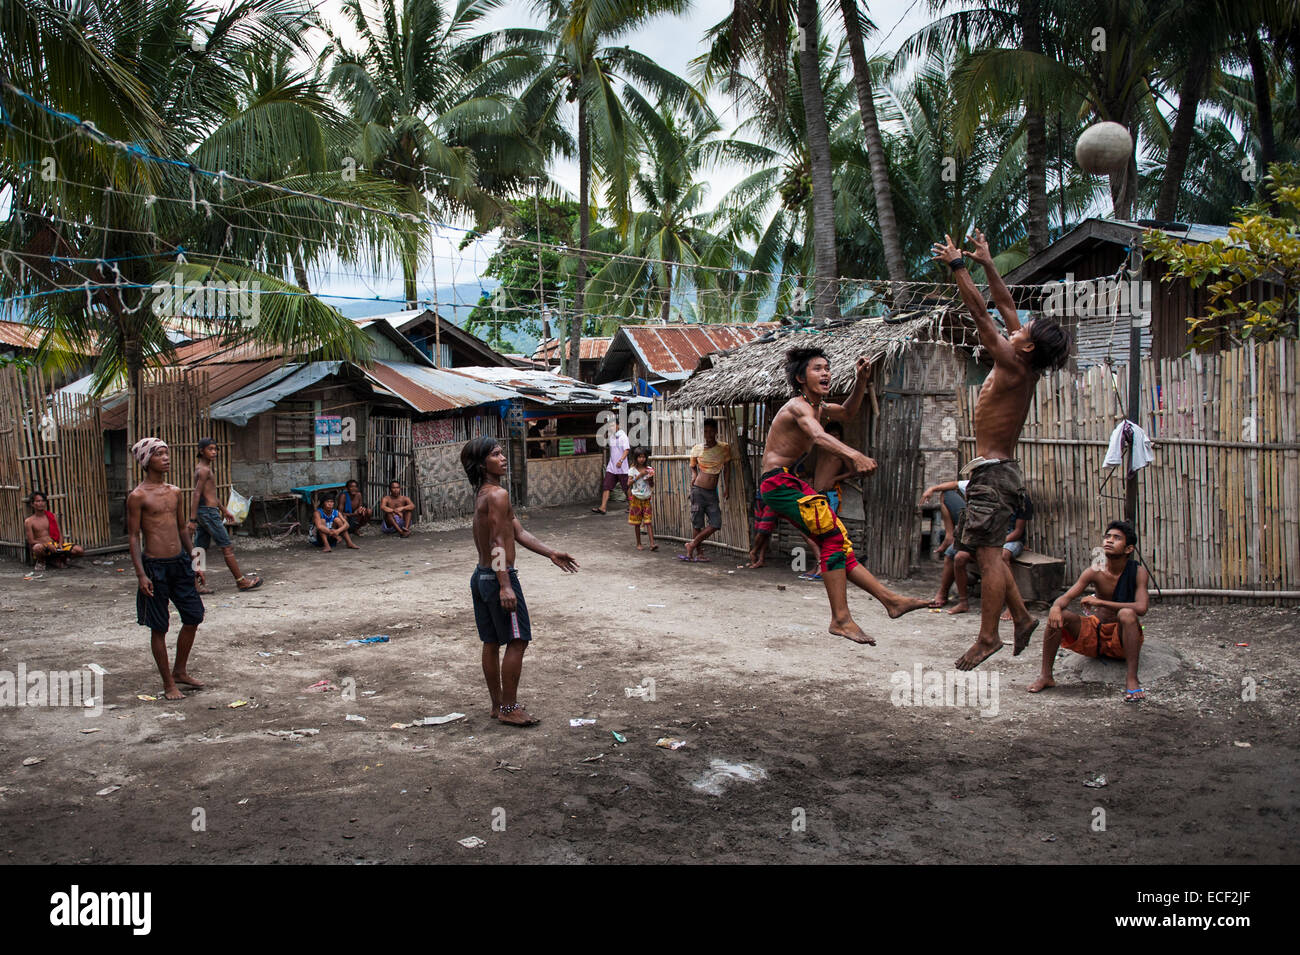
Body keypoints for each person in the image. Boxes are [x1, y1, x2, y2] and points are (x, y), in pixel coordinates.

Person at [932, 228, 1071, 669]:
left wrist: (959, 266)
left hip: (994, 474)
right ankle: (1024, 618)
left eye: (1024, 329)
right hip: (992, 471)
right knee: (985, 553)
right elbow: (1006, 305)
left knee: (987, 557)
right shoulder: (1022, 358)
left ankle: (989, 636)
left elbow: (982, 314)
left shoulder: (1011, 363)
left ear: (1026, 346)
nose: (1017, 324)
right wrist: (988, 262)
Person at [757, 347, 929, 644]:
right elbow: (818, 436)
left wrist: (861, 380)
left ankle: (891, 601)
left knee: (839, 546)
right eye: (817, 369)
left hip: (786, 482)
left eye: (827, 368)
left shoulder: (820, 408)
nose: (825, 373)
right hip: (778, 483)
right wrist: (855, 454)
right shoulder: (799, 407)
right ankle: (841, 619)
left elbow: (849, 412)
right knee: (833, 539)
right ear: (800, 377)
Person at [461, 436, 579, 727]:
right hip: (498, 577)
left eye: (502, 453)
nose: (503, 458)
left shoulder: (484, 494)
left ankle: (497, 704)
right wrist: (505, 585)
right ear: (481, 463)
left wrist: (551, 553)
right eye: (496, 454)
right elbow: (499, 542)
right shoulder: (498, 495)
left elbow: (518, 532)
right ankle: (509, 708)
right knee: (518, 640)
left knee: (491, 642)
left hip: (481, 576)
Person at [1029, 520, 1150, 702]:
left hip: (1121, 636)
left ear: (1128, 549)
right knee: (1059, 615)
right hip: (1096, 634)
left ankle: (1131, 678)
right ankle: (1046, 676)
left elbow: (1141, 608)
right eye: (1107, 536)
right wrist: (1055, 607)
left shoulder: (1138, 572)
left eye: (1117, 538)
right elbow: (1066, 597)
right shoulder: (1095, 571)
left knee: (1127, 614)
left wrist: (1100, 601)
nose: (1109, 540)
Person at [126, 437, 205, 701]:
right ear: (147, 460)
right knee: (159, 627)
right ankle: (168, 683)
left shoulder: (175, 491)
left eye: (166, 453)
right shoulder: (137, 496)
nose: (166, 458)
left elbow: (183, 528)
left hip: (180, 563)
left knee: (194, 616)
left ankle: (180, 670)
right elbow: (134, 536)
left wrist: (196, 561)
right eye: (160, 454)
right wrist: (141, 574)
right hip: (154, 567)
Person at [189, 437, 262, 593]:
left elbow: (210, 494)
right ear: (201, 451)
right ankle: (241, 581)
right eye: (210, 449)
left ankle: (195, 585)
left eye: (215, 449)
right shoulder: (203, 470)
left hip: (208, 511)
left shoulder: (206, 468)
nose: (214, 452)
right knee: (226, 546)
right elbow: (196, 494)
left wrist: (223, 509)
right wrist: (192, 519)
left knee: (200, 549)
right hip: (207, 513)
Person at [680, 418, 736, 562]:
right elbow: (692, 466)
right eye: (705, 431)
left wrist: (727, 487)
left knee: (716, 523)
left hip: (712, 493)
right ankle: (697, 554)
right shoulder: (697, 448)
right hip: (698, 491)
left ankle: (691, 545)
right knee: (697, 523)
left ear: (716, 431)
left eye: (711, 431)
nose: (709, 434)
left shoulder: (724, 448)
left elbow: (727, 468)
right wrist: (694, 474)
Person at [920, 478, 973, 612]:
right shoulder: (974, 484)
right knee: (951, 552)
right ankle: (950, 536)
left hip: (986, 534)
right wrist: (931, 489)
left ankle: (962, 600)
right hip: (972, 528)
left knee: (958, 555)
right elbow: (954, 484)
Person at [24, 490, 84, 571]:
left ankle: (59, 559)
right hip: (42, 546)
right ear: (32, 504)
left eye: (43, 501)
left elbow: (60, 533)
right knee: (37, 548)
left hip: (55, 545)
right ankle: (41, 562)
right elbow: (31, 541)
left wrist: (60, 544)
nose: (41, 503)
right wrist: (47, 545)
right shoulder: (29, 521)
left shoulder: (52, 516)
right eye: (38, 501)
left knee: (79, 550)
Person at [997, 492, 1033, 620]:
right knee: (961, 555)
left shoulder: (1022, 499)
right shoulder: (990, 495)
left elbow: (1018, 532)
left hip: (1012, 540)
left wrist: (998, 542)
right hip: (992, 538)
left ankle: (1013, 604)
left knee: (1003, 555)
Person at [592, 420, 631, 514]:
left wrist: (621, 460)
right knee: (606, 486)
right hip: (612, 467)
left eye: (613, 425)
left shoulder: (623, 436)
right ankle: (603, 507)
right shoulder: (612, 437)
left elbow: (626, 450)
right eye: (610, 426)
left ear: (618, 425)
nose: (611, 427)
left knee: (626, 488)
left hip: (622, 467)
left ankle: (632, 506)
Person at [626, 447, 657, 551]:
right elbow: (629, 483)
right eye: (639, 457)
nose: (642, 459)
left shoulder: (649, 469)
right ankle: (638, 543)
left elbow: (652, 484)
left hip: (646, 498)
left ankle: (652, 544)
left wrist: (650, 479)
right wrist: (640, 475)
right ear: (636, 458)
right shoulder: (632, 470)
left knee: (648, 521)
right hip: (636, 498)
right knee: (637, 523)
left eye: (643, 457)